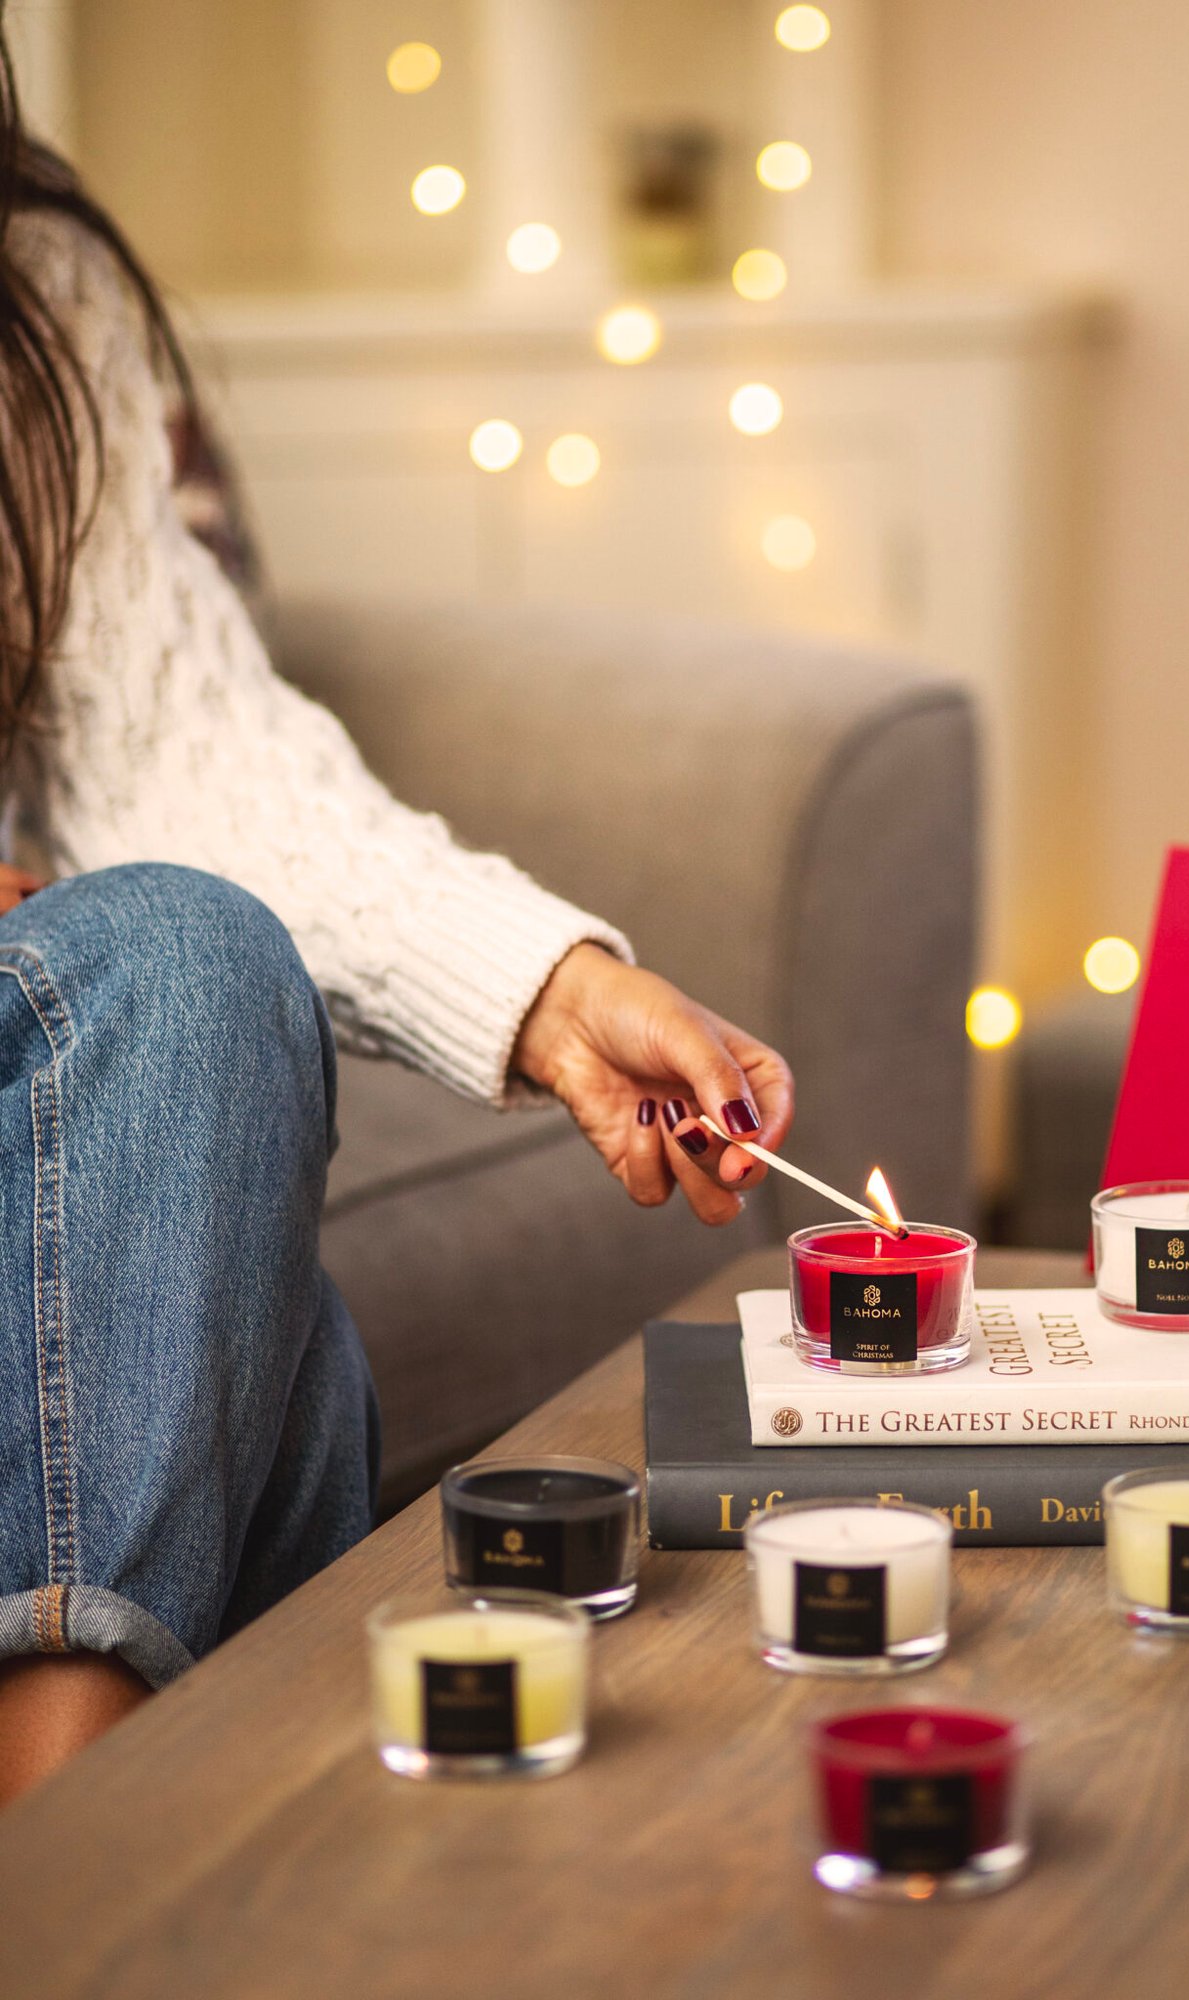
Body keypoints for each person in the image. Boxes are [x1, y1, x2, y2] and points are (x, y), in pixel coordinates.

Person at [0, 32, 792, 1803]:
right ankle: (88, 1862)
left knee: (205, 977)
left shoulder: (39, 301)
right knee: (284, 1346)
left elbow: (196, 766)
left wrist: (554, 989)